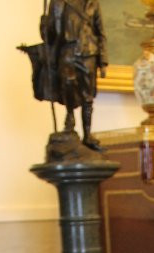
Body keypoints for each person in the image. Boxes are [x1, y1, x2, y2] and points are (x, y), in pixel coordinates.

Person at [41, 0, 108, 150]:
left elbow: (100, 32)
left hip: (88, 52)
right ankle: (69, 120)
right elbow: (51, 35)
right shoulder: (57, 2)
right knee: (67, 85)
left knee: (87, 96)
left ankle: (88, 135)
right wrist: (44, 25)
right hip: (67, 52)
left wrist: (103, 61)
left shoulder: (92, 2)